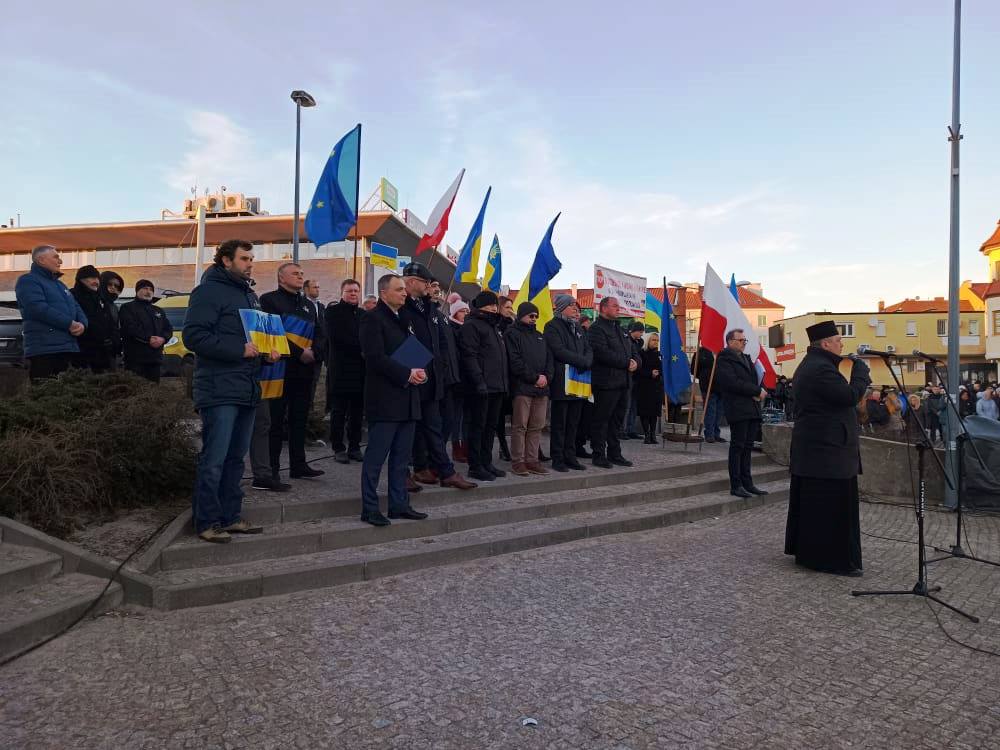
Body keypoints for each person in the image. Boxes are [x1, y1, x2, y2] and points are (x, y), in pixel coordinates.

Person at [183, 239, 267, 543]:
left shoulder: (250, 295)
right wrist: (238, 350)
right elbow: (194, 336)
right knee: (215, 458)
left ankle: (230, 516)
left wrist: (267, 351)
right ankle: (207, 521)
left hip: (246, 386)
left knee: (235, 459)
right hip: (218, 388)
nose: (250, 264)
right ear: (226, 261)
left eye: (252, 258)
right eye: (244, 258)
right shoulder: (207, 292)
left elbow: (255, 338)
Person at [784, 320, 871, 576]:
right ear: (825, 344)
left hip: (821, 451)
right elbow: (848, 397)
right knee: (829, 509)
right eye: (838, 340)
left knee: (817, 507)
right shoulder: (820, 369)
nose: (842, 345)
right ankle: (831, 559)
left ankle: (811, 554)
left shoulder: (815, 365)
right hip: (826, 452)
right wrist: (860, 374)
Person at [358, 274, 429, 526]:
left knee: (401, 459)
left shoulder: (404, 318)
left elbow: (412, 351)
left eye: (404, 290)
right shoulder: (372, 318)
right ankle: (369, 508)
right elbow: (374, 357)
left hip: (408, 400)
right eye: (399, 289)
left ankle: (399, 505)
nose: (404, 293)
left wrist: (420, 370)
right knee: (376, 458)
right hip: (385, 400)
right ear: (383, 293)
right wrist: (406, 373)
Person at [399, 262, 477, 491]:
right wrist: (416, 368)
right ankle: (403, 471)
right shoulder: (402, 307)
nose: (431, 287)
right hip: (411, 376)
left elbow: (439, 344)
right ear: (412, 282)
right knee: (408, 429)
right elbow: (401, 340)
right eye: (427, 283)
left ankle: (444, 471)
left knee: (434, 427)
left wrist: (440, 371)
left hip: (433, 378)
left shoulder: (428, 308)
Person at [260, 262, 324, 480]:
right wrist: (300, 353)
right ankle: (272, 469)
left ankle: (299, 465)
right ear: (281, 278)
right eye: (295, 273)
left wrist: (315, 352)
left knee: (299, 420)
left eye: (301, 273)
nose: (300, 276)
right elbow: (273, 332)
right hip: (279, 370)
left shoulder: (309, 306)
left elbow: (320, 332)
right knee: (275, 422)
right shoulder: (269, 300)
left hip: (304, 371)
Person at [15, 245, 88, 382]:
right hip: (44, 351)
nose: (60, 261)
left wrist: (83, 324)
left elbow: (76, 307)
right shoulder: (28, 280)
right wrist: (69, 324)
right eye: (56, 257)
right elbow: (37, 308)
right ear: (41, 260)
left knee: (65, 392)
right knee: (45, 391)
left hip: (67, 348)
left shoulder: (61, 285)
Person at [459, 290, 510, 481]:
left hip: (497, 386)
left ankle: (486, 462)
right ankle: (475, 465)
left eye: (495, 305)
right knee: (478, 427)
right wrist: (479, 381)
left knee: (490, 427)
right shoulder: (472, 326)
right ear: (481, 307)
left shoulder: (494, 327)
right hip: (481, 386)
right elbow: (469, 356)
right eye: (490, 305)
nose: (494, 308)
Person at [715, 329, 768, 498]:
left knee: (748, 447)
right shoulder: (724, 359)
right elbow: (732, 382)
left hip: (752, 408)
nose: (744, 343)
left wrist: (761, 389)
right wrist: (755, 390)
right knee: (738, 447)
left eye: (745, 340)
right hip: (737, 407)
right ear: (730, 342)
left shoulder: (746, 358)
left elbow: (755, 379)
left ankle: (748, 483)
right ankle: (736, 485)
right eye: (741, 340)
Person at [587, 297, 638, 469]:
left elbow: (633, 351)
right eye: (615, 306)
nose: (618, 308)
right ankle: (598, 454)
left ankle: (615, 453)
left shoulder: (621, 329)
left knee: (617, 421)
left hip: (624, 383)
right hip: (606, 383)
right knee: (601, 420)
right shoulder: (596, 329)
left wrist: (636, 362)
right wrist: (626, 363)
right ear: (603, 308)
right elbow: (601, 353)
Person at [504, 301, 554, 476]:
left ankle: (532, 460)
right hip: (522, 388)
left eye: (536, 316)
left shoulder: (540, 336)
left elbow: (549, 359)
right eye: (531, 315)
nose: (534, 319)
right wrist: (534, 378)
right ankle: (518, 461)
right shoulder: (512, 334)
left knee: (537, 426)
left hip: (542, 389)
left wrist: (547, 377)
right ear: (521, 315)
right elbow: (515, 361)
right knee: (520, 426)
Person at [544, 294, 593, 472]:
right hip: (561, 382)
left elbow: (588, 348)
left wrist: (587, 360)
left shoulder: (578, 327)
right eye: (571, 305)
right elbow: (558, 350)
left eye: (576, 306)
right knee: (560, 423)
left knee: (573, 423)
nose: (575, 309)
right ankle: (558, 458)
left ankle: (570, 456)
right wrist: (582, 361)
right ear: (561, 308)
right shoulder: (552, 326)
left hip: (578, 381)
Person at [326, 279, 366, 464]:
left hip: (360, 371)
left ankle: (355, 447)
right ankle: (338, 448)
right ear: (342, 293)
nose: (353, 294)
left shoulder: (364, 315)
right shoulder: (332, 312)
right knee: (339, 412)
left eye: (356, 291)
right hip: (341, 370)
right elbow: (337, 338)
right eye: (350, 291)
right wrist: (364, 349)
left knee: (357, 412)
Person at [118, 279, 172, 383]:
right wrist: (148, 339)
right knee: (135, 389)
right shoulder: (127, 308)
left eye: (151, 289)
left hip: (155, 361)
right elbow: (130, 328)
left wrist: (163, 338)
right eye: (145, 288)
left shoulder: (158, 310)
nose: (148, 292)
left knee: (154, 390)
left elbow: (168, 328)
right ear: (137, 291)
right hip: (135, 361)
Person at [70, 265, 118, 373]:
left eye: (97, 278)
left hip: (102, 353)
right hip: (81, 353)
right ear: (81, 279)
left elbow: (110, 322)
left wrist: (112, 340)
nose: (96, 281)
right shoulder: (72, 296)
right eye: (92, 278)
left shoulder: (101, 298)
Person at [447, 293, 471, 462]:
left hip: (469, 379)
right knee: (456, 416)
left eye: (467, 311)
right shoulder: (451, 329)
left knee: (467, 416)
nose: (465, 314)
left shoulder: (468, 330)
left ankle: (466, 446)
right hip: (457, 379)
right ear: (455, 313)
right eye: (462, 311)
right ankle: (456, 447)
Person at [495, 296, 516, 462]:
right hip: (500, 377)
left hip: (513, 378)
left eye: (511, 307)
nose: (510, 310)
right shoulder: (496, 326)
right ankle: (503, 447)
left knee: (516, 415)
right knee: (500, 417)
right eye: (507, 307)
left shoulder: (514, 326)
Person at [302, 279, 327, 421]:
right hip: (304, 350)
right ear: (306, 289)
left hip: (318, 352)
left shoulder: (321, 307)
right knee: (303, 387)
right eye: (314, 287)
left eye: (318, 287)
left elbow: (323, 329)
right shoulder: (301, 304)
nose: (317, 289)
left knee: (313, 384)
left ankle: (310, 415)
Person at [635, 331, 663, 444]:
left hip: (656, 386)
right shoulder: (641, 353)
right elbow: (638, 370)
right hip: (644, 386)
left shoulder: (659, 354)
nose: (655, 342)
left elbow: (662, 368)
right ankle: (647, 435)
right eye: (653, 340)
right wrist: (650, 373)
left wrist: (658, 373)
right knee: (645, 412)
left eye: (657, 340)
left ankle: (653, 435)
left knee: (654, 412)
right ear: (648, 341)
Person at [694, 345, 724, 442]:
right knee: (710, 411)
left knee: (719, 412)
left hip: (721, 386)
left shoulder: (722, 351)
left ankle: (716, 434)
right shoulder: (701, 352)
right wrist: (704, 377)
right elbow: (694, 369)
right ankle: (709, 434)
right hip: (708, 387)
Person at [623, 321, 646, 439]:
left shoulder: (638, 343)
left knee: (633, 405)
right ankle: (623, 429)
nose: (641, 334)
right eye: (640, 332)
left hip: (637, 378)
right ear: (634, 331)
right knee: (626, 405)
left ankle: (631, 429)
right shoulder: (626, 341)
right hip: (628, 377)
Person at [99, 270, 124, 367]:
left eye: (116, 286)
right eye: (110, 284)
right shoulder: (94, 301)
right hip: (96, 351)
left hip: (112, 351)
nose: (113, 287)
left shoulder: (113, 306)